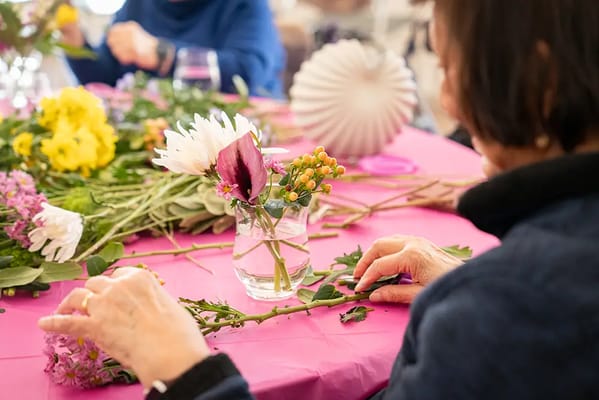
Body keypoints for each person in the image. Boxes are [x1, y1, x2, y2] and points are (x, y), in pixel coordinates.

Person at [40, 0, 599, 398]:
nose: (449, 97)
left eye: (450, 67)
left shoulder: (509, 308)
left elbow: (251, 69)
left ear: (539, 81)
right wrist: (463, 279)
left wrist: (181, 369)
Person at [61, 0, 285, 97]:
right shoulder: (138, 4)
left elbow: (247, 72)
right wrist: (71, 35)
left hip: (235, 136)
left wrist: (162, 55)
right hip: (154, 136)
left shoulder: (245, 4)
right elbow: (104, 78)